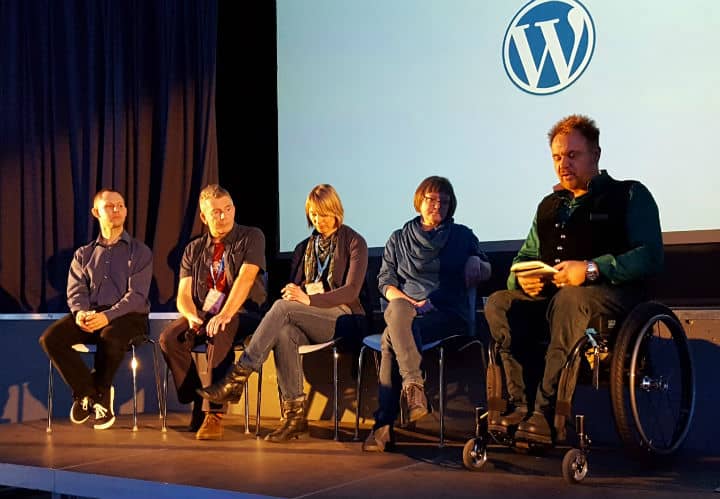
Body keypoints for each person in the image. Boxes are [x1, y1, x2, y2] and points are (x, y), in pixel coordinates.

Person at [484, 114, 664, 445]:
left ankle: (548, 414)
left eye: (572, 155)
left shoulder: (629, 195)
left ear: (595, 154)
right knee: (499, 302)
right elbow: (524, 258)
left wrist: (593, 268)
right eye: (556, 157)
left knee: (571, 298)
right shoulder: (549, 206)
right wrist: (522, 281)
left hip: (611, 298)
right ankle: (520, 406)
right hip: (553, 299)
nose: (563, 164)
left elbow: (650, 255)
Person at [198, 184, 368, 443]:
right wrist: (294, 290)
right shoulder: (303, 248)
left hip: (345, 319)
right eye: (312, 214)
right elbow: (297, 288)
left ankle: (238, 376)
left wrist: (308, 299)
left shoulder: (354, 241)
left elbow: (351, 291)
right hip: (309, 319)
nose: (317, 220)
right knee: (285, 331)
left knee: (282, 308)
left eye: (323, 214)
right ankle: (294, 418)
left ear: (336, 211)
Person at [362, 176, 491, 452]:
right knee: (397, 312)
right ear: (419, 201)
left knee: (390, 339)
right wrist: (410, 302)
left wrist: (476, 260)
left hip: (447, 313)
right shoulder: (398, 239)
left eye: (444, 202)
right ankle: (412, 386)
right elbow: (385, 282)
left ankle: (384, 424)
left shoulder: (462, 236)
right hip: (406, 310)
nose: (438, 206)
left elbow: (488, 271)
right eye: (432, 199)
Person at [159, 184, 267, 440]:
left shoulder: (251, 236)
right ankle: (196, 395)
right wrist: (191, 316)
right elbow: (184, 294)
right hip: (204, 312)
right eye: (216, 212)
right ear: (204, 217)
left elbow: (246, 278)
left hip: (243, 312)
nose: (223, 216)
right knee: (169, 338)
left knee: (221, 330)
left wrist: (226, 313)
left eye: (227, 209)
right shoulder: (193, 249)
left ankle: (214, 414)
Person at [39, 189, 153, 430]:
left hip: (129, 316)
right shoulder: (84, 253)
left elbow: (137, 296)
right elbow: (76, 290)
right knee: (51, 338)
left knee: (110, 337)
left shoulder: (140, 252)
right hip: (92, 314)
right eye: (110, 206)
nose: (116, 210)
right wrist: (80, 312)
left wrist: (107, 316)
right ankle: (88, 393)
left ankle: (99, 395)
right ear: (95, 212)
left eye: (120, 205)